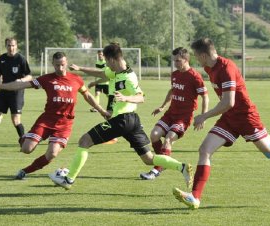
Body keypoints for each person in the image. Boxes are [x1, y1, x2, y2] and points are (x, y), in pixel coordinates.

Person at [172, 38, 270, 210]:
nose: (196, 60)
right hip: (229, 119)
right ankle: (195, 197)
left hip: (246, 117)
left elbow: (228, 102)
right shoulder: (209, 67)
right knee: (204, 150)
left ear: (203, 55)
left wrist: (204, 116)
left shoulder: (227, 68)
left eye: (196, 56)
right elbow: (227, 105)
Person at [49, 43, 193, 190]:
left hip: (122, 120)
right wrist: (81, 69)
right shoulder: (116, 72)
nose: (106, 65)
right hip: (132, 121)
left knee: (84, 140)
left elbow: (141, 97)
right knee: (148, 159)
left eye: (106, 61)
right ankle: (181, 167)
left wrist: (126, 98)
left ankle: (69, 179)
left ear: (111, 60)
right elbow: (101, 74)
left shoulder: (129, 77)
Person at [0, 52, 109, 179]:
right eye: (57, 65)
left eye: (62, 65)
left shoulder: (76, 79)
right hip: (47, 120)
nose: (60, 68)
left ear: (66, 63)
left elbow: (88, 96)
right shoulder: (46, 79)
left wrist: (102, 111)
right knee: (26, 149)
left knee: (52, 153)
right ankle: (24, 139)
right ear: (53, 64)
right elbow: (21, 85)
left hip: (65, 123)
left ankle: (25, 171)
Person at [140, 47, 209, 180]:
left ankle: (157, 169)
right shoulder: (175, 74)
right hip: (170, 114)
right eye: (174, 61)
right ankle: (164, 161)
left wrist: (203, 116)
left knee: (168, 139)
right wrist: (162, 107)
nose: (175, 63)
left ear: (186, 59)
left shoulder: (195, 76)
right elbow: (172, 91)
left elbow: (205, 96)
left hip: (183, 117)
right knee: (154, 135)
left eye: (178, 60)